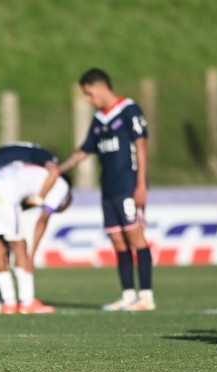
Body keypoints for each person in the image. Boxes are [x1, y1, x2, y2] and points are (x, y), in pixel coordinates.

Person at [58, 68, 155, 311]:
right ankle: (127, 295)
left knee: (135, 237)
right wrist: (59, 170)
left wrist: (141, 184)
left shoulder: (129, 110)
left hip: (128, 186)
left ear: (101, 87)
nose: (88, 100)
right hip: (109, 188)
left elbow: (141, 146)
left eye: (89, 94)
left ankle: (146, 297)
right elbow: (84, 150)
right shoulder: (99, 120)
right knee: (117, 241)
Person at [0, 142, 63, 314]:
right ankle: (26, 301)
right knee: (16, 242)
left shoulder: (22, 152)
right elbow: (54, 171)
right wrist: (40, 197)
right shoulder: (45, 158)